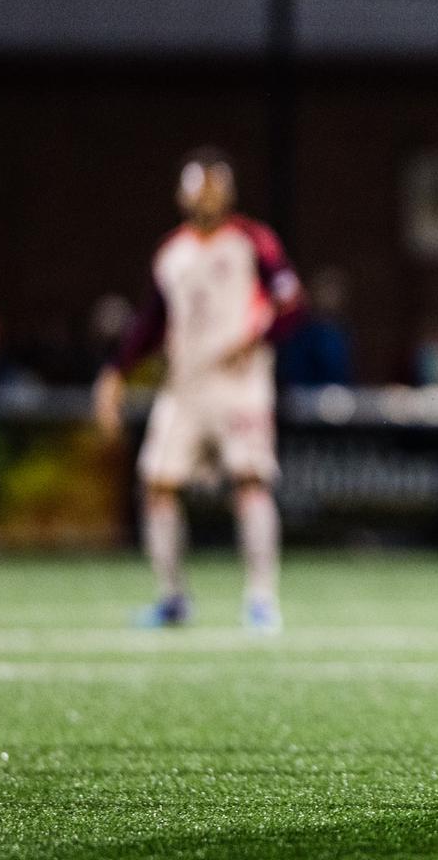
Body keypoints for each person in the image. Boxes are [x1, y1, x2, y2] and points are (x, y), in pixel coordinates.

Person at [93, 149, 303, 632]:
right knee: (158, 485)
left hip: (239, 387)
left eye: (214, 185)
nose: (206, 195)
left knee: (249, 479)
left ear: (228, 192)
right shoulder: (172, 253)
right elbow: (151, 322)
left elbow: (291, 302)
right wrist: (115, 373)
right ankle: (172, 598)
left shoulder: (253, 241)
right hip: (184, 387)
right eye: (198, 185)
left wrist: (256, 340)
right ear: (181, 194)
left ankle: (261, 598)